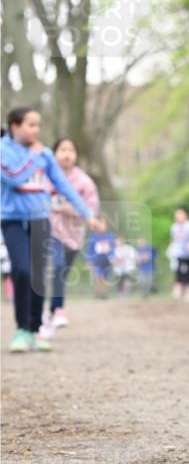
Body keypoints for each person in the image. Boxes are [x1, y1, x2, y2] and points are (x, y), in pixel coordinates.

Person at [1, 107, 100, 352]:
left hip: (40, 219)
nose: (36, 130)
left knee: (37, 277)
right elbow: (14, 177)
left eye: (38, 125)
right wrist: (35, 157)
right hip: (12, 220)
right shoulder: (5, 150)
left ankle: (35, 330)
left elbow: (64, 186)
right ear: (15, 127)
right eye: (31, 125)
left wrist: (88, 215)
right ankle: (22, 330)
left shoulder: (44, 154)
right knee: (22, 272)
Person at [45, 137, 99, 330]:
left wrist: (71, 208)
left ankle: (52, 310)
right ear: (54, 154)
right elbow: (39, 199)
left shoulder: (85, 182)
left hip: (74, 234)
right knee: (58, 265)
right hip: (50, 229)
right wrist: (59, 206)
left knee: (63, 272)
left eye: (71, 150)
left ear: (76, 155)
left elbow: (91, 208)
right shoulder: (46, 176)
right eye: (62, 150)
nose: (67, 154)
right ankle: (59, 309)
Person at [170, 208, 189, 301]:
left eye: (180, 214)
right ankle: (178, 289)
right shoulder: (174, 227)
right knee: (179, 270)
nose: (179, 217)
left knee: (188, 271)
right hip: (179, 252)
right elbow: (174, 239)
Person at [84, 217, 115, 298]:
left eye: (104, 224)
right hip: (96, 260)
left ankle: (104, 294)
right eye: (101, 223)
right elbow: (89, 249)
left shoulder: (110, 236)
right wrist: (88, 260)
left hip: (106, 260)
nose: (103, 226)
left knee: (105, 278)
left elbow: (113, 249)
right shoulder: (93, 237)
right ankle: (98, 293)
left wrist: (113, 258)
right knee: (98, 276)